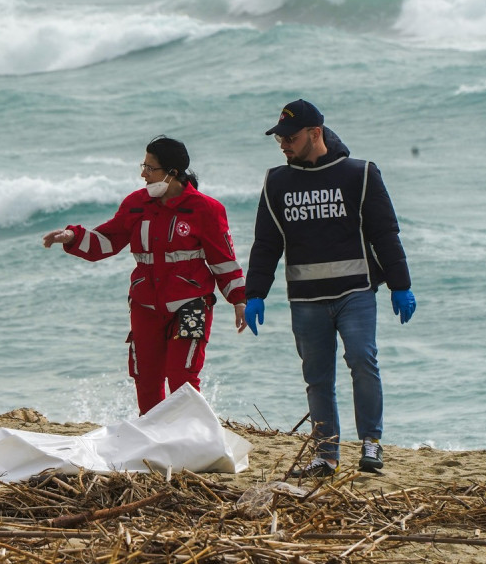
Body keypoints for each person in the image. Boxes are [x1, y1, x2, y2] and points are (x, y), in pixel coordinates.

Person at [244, 99, 415, 478]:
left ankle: (371, 444)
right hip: (305, 300)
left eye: (290, 137)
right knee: (317, 377)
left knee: (362, 360)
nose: (284, 144)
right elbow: (267, 243)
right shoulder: (277, 182)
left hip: (355, 292)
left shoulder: (360, 174)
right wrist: (254, 293)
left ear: (315, 133)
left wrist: (400, 285)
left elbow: (384, 234)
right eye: (280, 139)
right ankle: (326, 454)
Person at [42, 136, 248, 415]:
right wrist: (71, 237)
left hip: (191, 304)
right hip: (145, 305)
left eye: (150, 168)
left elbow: (223, 261)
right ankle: (152, 442)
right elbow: (107, 240)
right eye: (144, 166)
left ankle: (190, 439)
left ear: (172, 172)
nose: (143, 174)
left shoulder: (206, 210)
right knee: (146, 379)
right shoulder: (136, 204)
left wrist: (239, 300)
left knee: (182, 378)